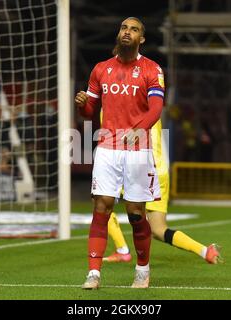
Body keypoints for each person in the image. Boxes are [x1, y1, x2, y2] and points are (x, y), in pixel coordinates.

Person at [75, 17, 164, 289]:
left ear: (142, 39)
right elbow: (90, 112)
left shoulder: (152, 69)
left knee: (137, 213)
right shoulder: (101, 69)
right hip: (108, 148)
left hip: (138, 149)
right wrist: (82, 106)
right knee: (101, 207)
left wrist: (136, 131)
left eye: (134, 29)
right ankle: (93, 273)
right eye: (124, 28)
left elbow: (156, 109)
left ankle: (142, 269)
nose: (127, 32)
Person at [103, 119, 222, 265]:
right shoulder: (153, 105)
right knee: (158, 230)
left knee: (100, 201)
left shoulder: (122, 104)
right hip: (158, 171)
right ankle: (205, 251)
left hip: (137, 170)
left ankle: (123, 251)